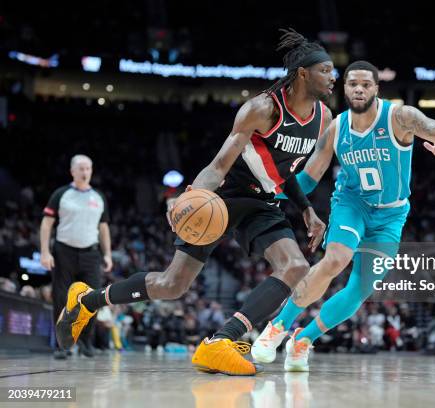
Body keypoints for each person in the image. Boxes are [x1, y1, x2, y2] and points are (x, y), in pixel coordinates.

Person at [55, 28, 334, 375]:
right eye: (326, 70)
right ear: (303, 73)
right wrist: (189, 197)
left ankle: (221, 342)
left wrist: (306, 207)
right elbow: (219, 165)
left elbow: (283, 169)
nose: (333, 77)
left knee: (295, 266)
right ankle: (86, 300)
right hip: (223, 199)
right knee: (172, 285)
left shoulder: (323, 118)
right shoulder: (262, 109)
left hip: (263, 204)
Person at [252, 61, 435, 371]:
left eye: (366, 84)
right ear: (345, 88)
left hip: (391, 215)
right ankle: (278, 327)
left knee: (360, 289)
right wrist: (270, 189)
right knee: (336, 258)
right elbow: (310, 178)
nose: (359, 89)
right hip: (351, 203)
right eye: (353, 83)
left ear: (376, 88)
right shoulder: (336, 128)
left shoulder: (400, 117)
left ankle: (303, 339)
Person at [40, 154, 113, 359]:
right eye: (80, 168)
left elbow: (103, 227)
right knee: (61, 298)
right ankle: (62, 345)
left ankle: (85, 341)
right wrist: (45, 252)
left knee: (93, 299)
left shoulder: (98, 197)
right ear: (72, 171)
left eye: (88, 168)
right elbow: (46, 223)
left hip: (91, 253)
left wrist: (107, 254)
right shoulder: (61, 194)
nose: (84, 172)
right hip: (64, 251)